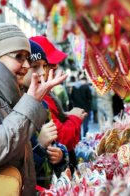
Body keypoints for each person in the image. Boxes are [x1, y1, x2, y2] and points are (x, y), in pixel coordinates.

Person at [0, 23, 67, 195]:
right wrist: (31, 103)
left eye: (27, 57)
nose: (26, 64)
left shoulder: (3, 91)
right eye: (19, 56)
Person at [30, 35, 87, 173]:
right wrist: (74, 118)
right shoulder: (41, 99)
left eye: (45, 66)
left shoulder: (46, 96)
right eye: (39, 66)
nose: (55, 66)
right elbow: (61, 138)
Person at [24, 40, 69, 188]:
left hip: (46, 186)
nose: (43, 72)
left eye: (44, 66)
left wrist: (59, 155)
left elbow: (53, 143)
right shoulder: (14, 108)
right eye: (35, 67)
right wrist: (40, 147)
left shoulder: (43, 104)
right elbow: (18, 168)